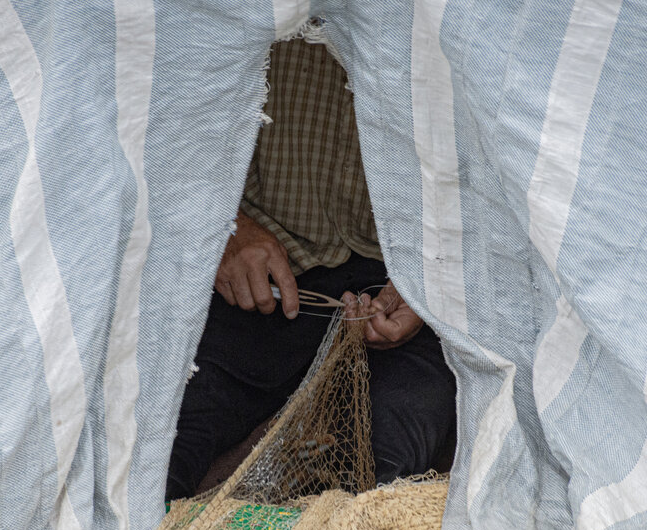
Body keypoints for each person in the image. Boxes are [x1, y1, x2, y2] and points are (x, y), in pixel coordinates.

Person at [165, 36, 457, 500]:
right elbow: (154, 122)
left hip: (408, 280)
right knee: (163, 447)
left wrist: (435, 279)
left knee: (390, 474)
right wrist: (226, 228)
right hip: (261, 278)